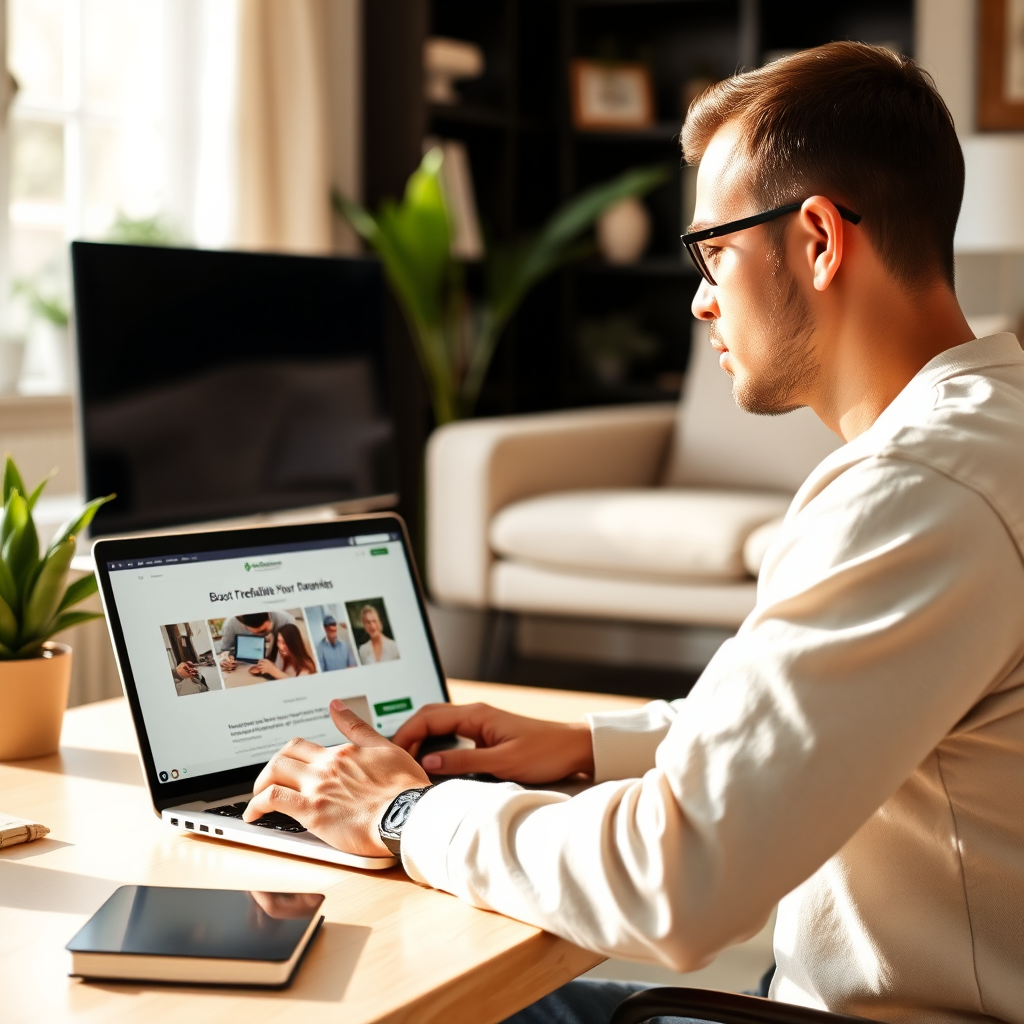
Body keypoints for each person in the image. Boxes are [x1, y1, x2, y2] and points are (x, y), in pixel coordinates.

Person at [242, 43, 1024, 1024]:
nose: (698, 297)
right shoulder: (993, 431)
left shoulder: (915, 486)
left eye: (714, 252)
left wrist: (400, 811)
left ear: (819, 238)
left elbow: (674, 878)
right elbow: (851, 711)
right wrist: (589, 743)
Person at [217, 610, 295, 672]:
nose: (259, 636)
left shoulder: (287, 621)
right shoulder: (230, 624)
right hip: (242, 667)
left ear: (269, 613)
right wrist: (226, 660)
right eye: (253, 632)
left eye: (263, 631)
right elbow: (225, 650)